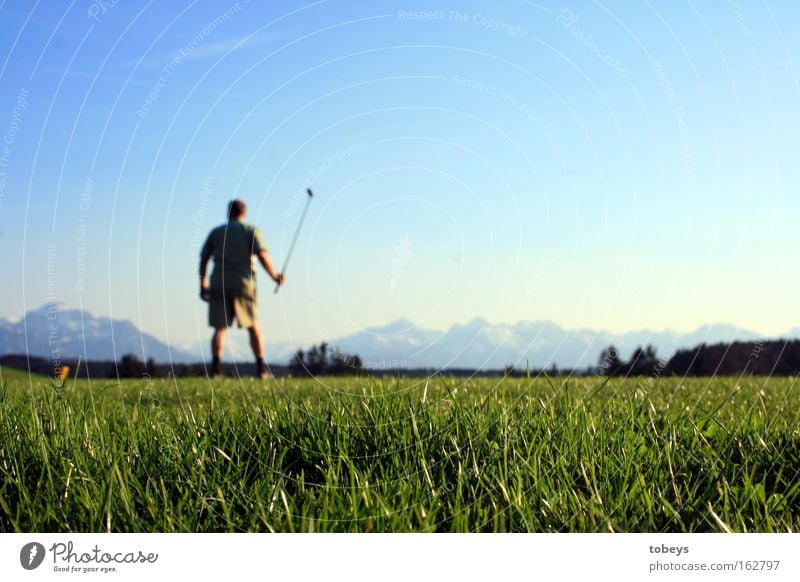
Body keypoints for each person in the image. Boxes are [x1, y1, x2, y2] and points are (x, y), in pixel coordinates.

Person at [199, 199, 285, 379]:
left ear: (228, 212)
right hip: (244, 284)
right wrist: (275, 276)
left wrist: (203, 283)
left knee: (220, 327)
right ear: (244, 213)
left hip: (218, 283)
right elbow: (262, 255)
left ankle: (215, 370)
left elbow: (204, 258)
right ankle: (261, 369)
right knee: (253, 326)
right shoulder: (251, 231)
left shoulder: (216, 232)